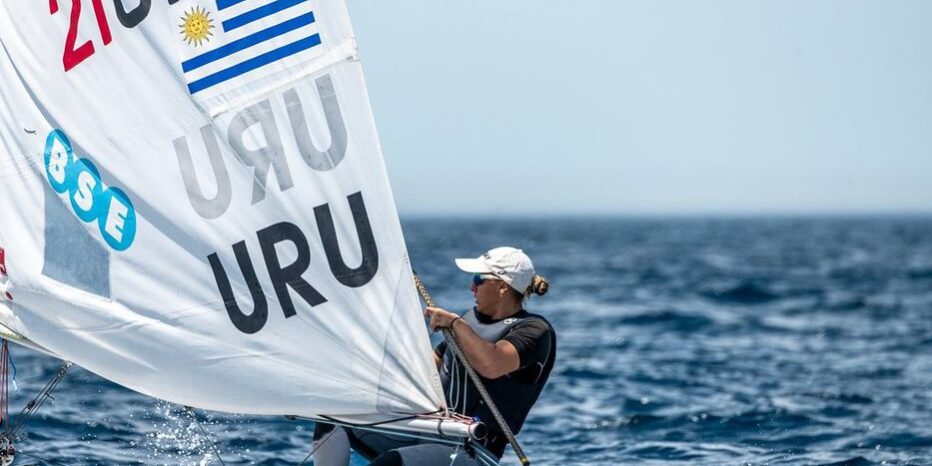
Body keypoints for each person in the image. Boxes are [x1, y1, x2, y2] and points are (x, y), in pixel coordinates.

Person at [313, 247, 556, 465]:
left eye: (478, 279)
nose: (472, 287)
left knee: (391, 463)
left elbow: (491, 364)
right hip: (427, 432)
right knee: (333, 417)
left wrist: (456, 324)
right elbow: (427, 368)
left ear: (503, 287)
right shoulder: (470, 320)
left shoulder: (534, 330)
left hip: (471, 451)